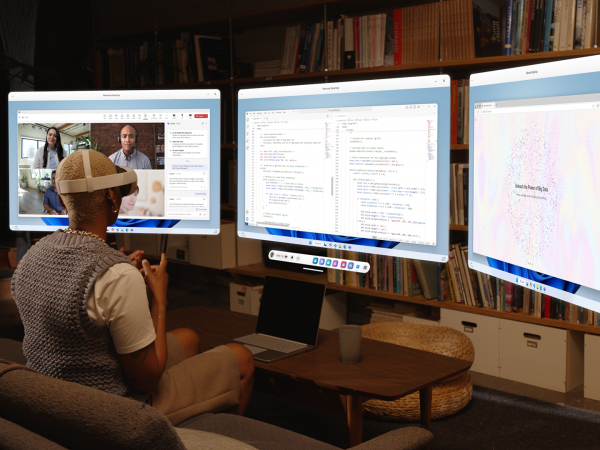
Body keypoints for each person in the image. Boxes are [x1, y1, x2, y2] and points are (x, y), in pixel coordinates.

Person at [12, 150, 254, 425]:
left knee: (188, 339)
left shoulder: (32, 256)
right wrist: (159, 299)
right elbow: (145, 381)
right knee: (241, 358)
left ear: (64, 198)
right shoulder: (115, 275)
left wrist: (117, 276)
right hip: (113, 414)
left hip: (53, 399)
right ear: (111, 197)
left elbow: (71, 307)